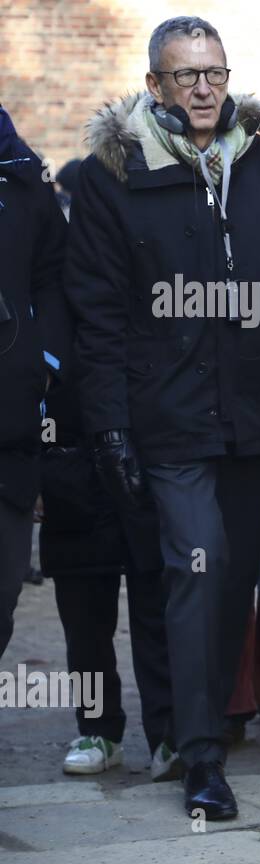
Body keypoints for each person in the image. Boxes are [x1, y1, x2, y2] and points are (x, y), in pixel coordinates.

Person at [65, 16, 260, 820]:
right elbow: (98, 314)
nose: (205, 87)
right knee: (197, 569)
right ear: (155, 85)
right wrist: (108, 426)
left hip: (258, 416)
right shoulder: (113, 175)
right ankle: (201, 756)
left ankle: (208, 722)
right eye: (186, 75)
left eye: (214, 71)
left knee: (232, 588)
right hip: (167, 418)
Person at [39, 332, 177, 779]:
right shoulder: (50, 274)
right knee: (83, 616)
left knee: (159, 608)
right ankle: (98, 729)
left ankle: (169, 734)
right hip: (68, 453)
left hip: (152, 446)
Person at [0, 103, 72, 662]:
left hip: (12, 426)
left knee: (2, 598)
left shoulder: (24, 174)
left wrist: (42, 358)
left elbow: (52, 274)